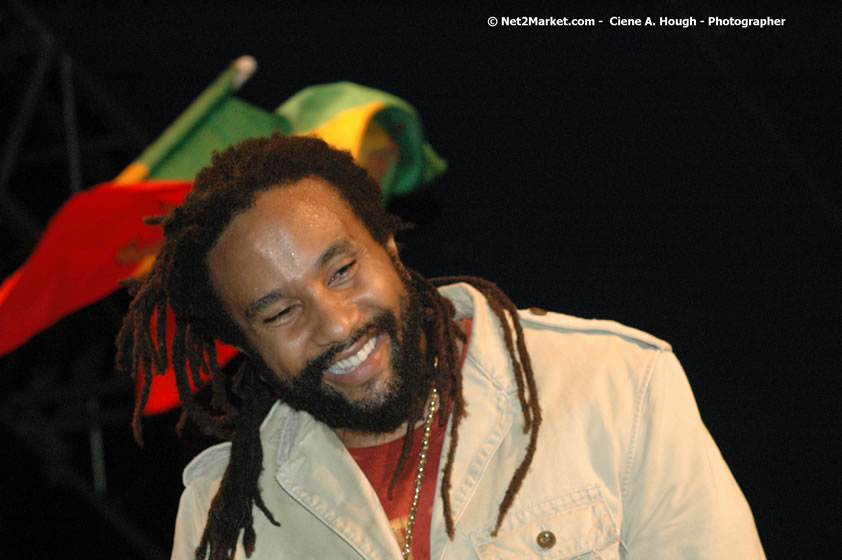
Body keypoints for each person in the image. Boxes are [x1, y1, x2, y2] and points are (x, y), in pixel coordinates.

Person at [116, 133, 765, 559]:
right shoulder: (221, 514)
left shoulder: (611, 382)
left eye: (342, 270)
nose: (336, 324)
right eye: (282, 312)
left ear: (389, 247)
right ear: (244, 346)